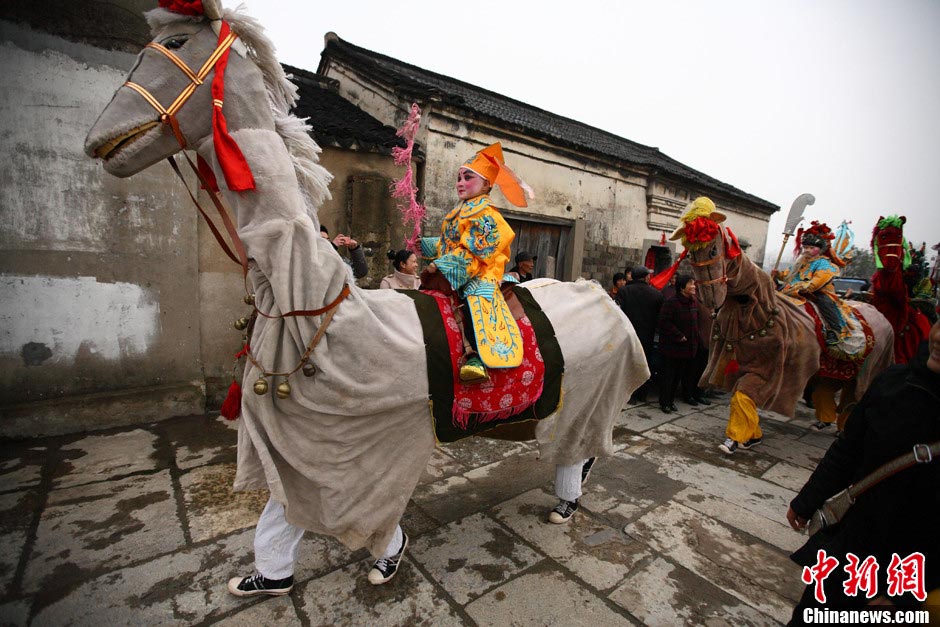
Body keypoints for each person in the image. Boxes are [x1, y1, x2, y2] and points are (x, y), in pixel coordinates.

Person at [785, 318, 940, 622]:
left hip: (912, 566)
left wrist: (908, 593)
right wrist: (807, 500)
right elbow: (848, 449)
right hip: (854, 542)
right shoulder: (892, 383)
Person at [422, 142, 533, 383]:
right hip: (458, 266)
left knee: (474, 298)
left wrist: (442, 265)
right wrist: (422, 245)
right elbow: (447, 244)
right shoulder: (459, 211)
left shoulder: (487, 214)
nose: (460, 182)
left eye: (468, 177)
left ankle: (474, 356)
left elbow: (477, 251)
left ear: (486, 184)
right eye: (458, 177)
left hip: (481, 272)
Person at [779, 221, 852, 346]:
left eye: (811, 248)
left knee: (825, 302)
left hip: (818, 292)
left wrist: (802, 288)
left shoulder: (824, 263)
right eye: (806, 247)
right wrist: (777, 274)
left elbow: (817, 282)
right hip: (795, 290)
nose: (807, 250)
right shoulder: (800, 262)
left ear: (820, 249)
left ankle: (835, 330)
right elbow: (788, 274)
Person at [615, 265, 664, 403]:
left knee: (627, 364)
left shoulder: (624, 291)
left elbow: (618, 312)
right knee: (644, 364)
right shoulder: (656, 295)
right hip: (647, 336)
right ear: (647, 277)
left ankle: (627, 394)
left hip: (628, 335)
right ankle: (642, 394)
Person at [656, 275, 700, 413]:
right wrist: (678, 335)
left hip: (686, 348)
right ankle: (664, 402)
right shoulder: (671, 302)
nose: (693, 286)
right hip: (672, 347)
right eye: (690, 284)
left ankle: (671, 400)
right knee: (668, 376)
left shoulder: (692, 302)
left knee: (677, 377)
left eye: (693, 283)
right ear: (682, 288)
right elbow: (664, 322)